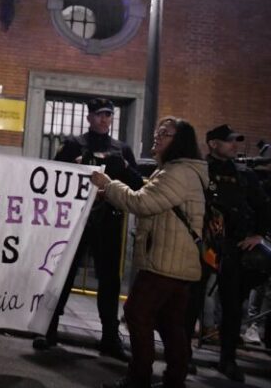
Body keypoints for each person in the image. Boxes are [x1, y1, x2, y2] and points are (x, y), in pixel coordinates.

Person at [91, 116, 207, 388]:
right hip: (176, 260)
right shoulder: (178, 170)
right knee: (170, 323)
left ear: (180, 141)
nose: (157, 136)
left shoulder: (178, 172)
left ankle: (138, 379)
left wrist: (108, 185)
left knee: (136, 313)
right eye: (158, 132)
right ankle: (173, 380)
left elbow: (142, 203)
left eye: (165, 134)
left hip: (166, 262)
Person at [33, 97, 143, 361]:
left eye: (107, 114)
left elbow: (138, 184)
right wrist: (76, 165)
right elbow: (53, 175)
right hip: (77, 219)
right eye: (98, 114)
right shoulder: (74, 144)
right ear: (89, 117)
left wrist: (125, 167)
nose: (103, 119)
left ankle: (109, 337)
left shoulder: (121, 149)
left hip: (109, 220)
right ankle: (48, 328)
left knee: (109, 280)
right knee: (64, 274)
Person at [202, 124, 270, 382]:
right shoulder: (200, 169)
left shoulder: (245, 175)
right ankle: (182, 357)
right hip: (203, 246)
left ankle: (226, 359)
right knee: (191, 302)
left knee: (232, 307)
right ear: (213, 144)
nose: (234, 145)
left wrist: (259, 235)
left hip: (233, 250)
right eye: (229, 141)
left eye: (235, 141)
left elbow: (263, 207)